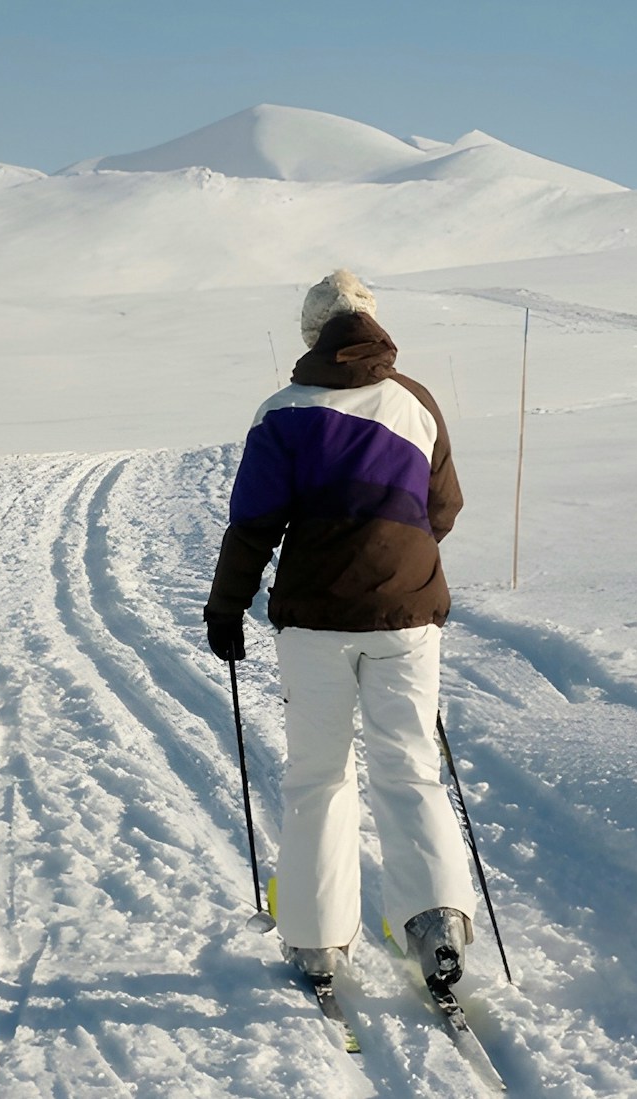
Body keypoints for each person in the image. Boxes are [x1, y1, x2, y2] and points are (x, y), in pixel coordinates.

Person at [204, 269, 475, 989]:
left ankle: (319, 940)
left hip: (316, 620)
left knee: (320, 775)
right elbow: (441, 506)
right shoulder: (416, 401)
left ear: (311, 332)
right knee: (411, 765)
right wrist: (395, 557)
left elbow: (253, 525)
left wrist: (225, 607)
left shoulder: (283, 411)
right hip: (408, 614)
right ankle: (437, 923)